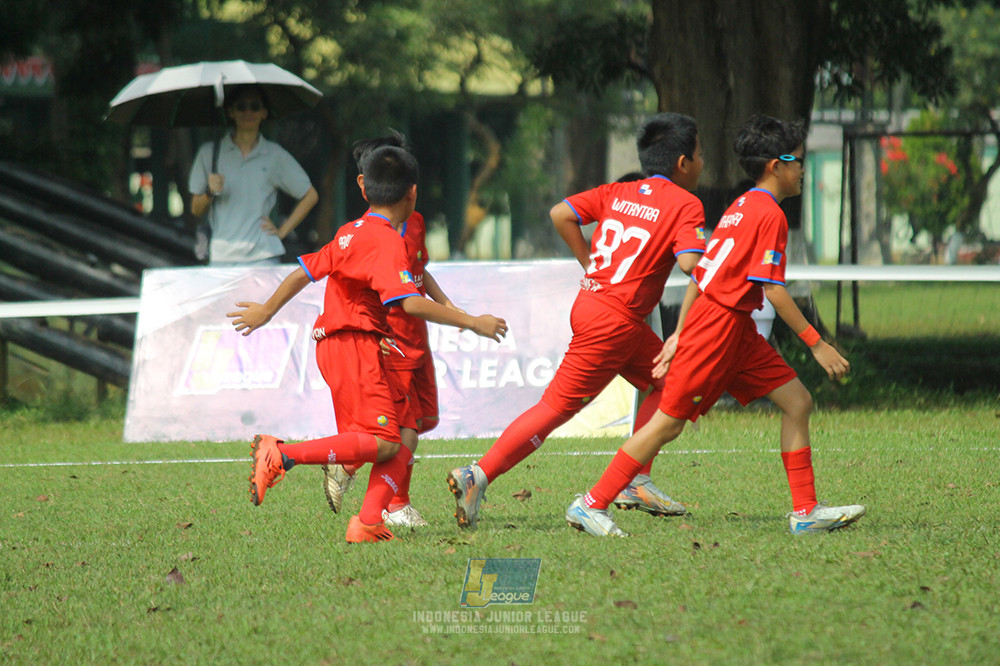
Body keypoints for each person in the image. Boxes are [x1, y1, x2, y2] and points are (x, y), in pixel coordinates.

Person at [566, 114, 865, 537]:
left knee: (797, 402)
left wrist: (677, 333)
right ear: (774, 166)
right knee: (667, 424)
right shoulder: (768, 215)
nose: (802, 169)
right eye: (797, 160)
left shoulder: (743, 205)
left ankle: (806, 512)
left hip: (733, 328)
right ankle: (590, 503)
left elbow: (702, 273)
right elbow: (776, 291)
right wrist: (817, 343)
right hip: (717, 330)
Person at [228, 146, 507, 543]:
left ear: (364, 188)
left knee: (407, 432)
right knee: (382, 442)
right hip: (354, 343)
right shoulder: (388, 242)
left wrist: (267, 311)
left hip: (347, 342)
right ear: (412, 193)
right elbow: (408, 301)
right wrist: (472, 321)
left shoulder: (350, 232)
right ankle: (283, 455)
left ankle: (368, 521)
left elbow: (304, 271)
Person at [447, 112, 708, 529]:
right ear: (682, 163)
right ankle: (477, 475)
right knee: (555, 409)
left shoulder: (616, 192)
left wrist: (590, 263)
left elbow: (560, 213)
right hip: (615, 323)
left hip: (593, 306)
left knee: (672, 379)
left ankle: (636, 479)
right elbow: (692, 263)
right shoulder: (686, 204)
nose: (702, 163)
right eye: (699, 155)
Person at [322, 131, 463, 528]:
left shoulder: (414, 222)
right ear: (365, 183)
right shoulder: (369, 234)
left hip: (419, 334)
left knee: (422, 421)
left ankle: (357, 473)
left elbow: (419, 272)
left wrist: (448, 306)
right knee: (406, 426)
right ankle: (392, 503)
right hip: (392, 338)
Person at [189, 84, 319, 265]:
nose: (248, 111)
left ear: (264, 113)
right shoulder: (208, 153)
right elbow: (196, 209)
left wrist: (282, 231)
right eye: (241, 106)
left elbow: (310, 196)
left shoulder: (275, 155)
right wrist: (210, 192)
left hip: (263, 256)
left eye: (255, 106)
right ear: (231, 112)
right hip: (221, 256)